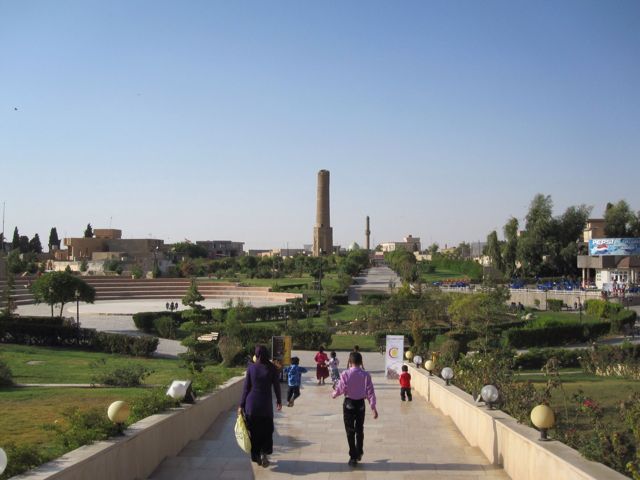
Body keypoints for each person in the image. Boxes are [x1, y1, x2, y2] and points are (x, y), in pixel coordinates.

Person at [331, 351, 378, 466]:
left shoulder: (345, 374)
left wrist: (334, 394)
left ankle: (353, 457)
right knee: (359, 429)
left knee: (350, 431)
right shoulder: (366, 375)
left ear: (349, 361)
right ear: (361, 362)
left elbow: (341, 388)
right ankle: (359, 451)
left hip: (349, 404)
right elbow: (370, 392)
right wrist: (373, 408)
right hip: (360, 404)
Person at [238, 345, 282, 467]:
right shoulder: (272, 368)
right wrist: (279, 400)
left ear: (256, 355)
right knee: (266, 431)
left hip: (251, 406)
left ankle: (256, 456)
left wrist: (241, 405)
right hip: (265, 406)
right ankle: (264, 453)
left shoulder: (251, 368)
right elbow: (277, 386)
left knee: (254, 432)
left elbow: (246, 388)